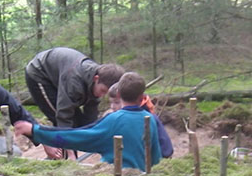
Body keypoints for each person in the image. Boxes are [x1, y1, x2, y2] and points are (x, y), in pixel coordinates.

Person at [16, 72, 173, 170]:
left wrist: (35, 131)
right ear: (142, 97)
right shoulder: (151, 119)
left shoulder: (112, 120)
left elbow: (76, 136)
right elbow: (159, 155)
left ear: (118, 94)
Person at [24, 47, 124, 159]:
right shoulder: (74, 82)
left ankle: (65, 159)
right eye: (103, 91)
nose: (102, 95)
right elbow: (63, 117)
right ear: (96, 78)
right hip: (40, 74)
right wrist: (71, 153)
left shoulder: (98, 81)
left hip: (61, 75)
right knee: (64, 121)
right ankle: (66, 163)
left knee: (79, 125)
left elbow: (90, 117)